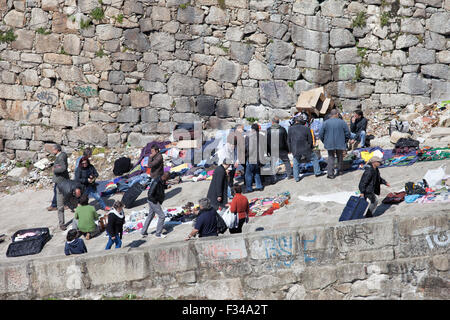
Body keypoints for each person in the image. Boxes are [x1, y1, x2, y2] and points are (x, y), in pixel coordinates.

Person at [319, 109, 351, 179]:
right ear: (336, 114)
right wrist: (345, 141)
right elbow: (348, 133)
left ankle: (330, 174)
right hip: (340, 142)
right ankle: (340, 171)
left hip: (329, 143)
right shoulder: (342, 122)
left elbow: (321, 134)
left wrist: (325, 141)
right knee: (340, 156)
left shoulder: (326, 123)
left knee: (331, 157)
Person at [288, 117, 321, 182]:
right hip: (306, 148)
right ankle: (317, 172)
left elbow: (288, 141)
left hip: (295, 149)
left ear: (295, 122)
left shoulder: (290, 129)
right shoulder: (306, 128)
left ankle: (296, 178)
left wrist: (290, 150)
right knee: (314, 158)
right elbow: (310, 140)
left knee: (296, 163)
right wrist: (311, 147)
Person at [141, 172, 170, 239]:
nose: (167, 180)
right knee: (162, 216)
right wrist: (155, 202)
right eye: (167, 179)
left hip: (153, 200)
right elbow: (150, 193)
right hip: (153, 201)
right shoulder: (156, 182)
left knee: (151, 215)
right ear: (165, 177)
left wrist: (166, 186)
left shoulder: (162, 180)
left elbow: (161, 187)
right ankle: (158, 234)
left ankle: (143, 231)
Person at [267, 116, 292, 181]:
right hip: (282, 149)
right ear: (278, 122)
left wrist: (267, 151)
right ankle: (289, 175)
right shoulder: (282, 129)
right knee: (286, 161)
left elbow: (266, 142)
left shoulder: (268, 130)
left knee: (272, 164)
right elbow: (286, 140)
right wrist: (288, 149)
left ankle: (273, 179)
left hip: (272, 150)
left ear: (272, 122)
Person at [47, 144, 70, 212]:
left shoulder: (61, 157)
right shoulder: (60, 156)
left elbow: (63, 168)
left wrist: (55, 170)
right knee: (60, 191)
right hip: (61, 178)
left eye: (53, 150)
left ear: (57, 150)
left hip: (61, 178)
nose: (52, 151)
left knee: (58, 191)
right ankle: (59, 204)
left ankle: (55, 205)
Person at [244, 123, 265, 193]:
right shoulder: (261, 136)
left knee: (249, 174)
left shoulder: (248, 137)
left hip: (251, 158)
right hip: (259, 158)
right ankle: (259, 186)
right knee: (257, 172)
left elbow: (246, 148)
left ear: (252, 129)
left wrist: (246, 155)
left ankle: (249, 188)